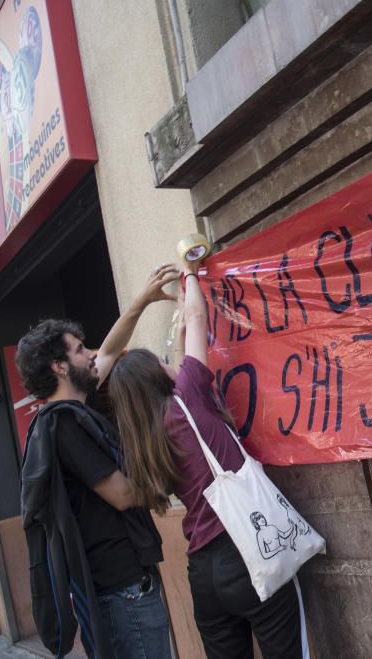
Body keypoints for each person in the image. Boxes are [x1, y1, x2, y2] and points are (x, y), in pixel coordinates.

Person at [108, 259, 310, 659]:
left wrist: (182, 328)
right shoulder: (186, 397)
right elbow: (199, 319)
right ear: (156, 376)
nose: (171, 362)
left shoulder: (144, 441)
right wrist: (190, 270)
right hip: (249, 549)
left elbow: (187, 341)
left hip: (203, 575)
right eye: (160, 361)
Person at [18, 264, 178, 658]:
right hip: (123, 592)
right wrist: (177, 471)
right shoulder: (66, 425)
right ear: (59, 367)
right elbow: (123, 495)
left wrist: (142, 301)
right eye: (78, 350)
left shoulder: (74, 408)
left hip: (123, 589)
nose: (90, 355)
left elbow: (106, 351)